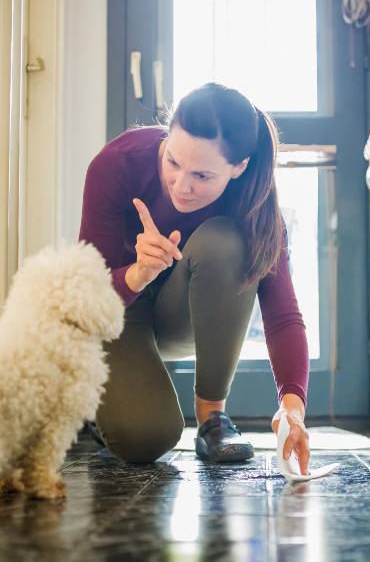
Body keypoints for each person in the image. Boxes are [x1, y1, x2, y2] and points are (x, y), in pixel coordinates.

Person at [78, 83, 312, 473]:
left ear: (239, 168)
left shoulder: (254, 202)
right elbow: (85, 296)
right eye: (172, 162)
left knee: (229, 242)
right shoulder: (116, 164)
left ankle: (212, 420)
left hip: (181, 313)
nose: (181, 186)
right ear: (167, 136)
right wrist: (137, 274)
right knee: (144, 437)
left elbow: (283, 314)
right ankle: (101, 411)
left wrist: (293, 407)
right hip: (118, 312)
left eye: (202, 175)